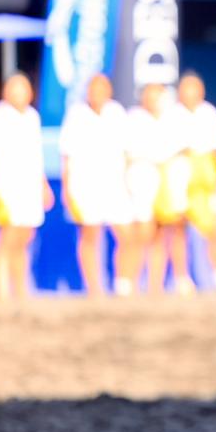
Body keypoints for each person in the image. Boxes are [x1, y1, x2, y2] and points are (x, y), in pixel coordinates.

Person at [0, 72, 53, 299]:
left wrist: (43, 186)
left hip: (29, 186)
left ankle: (21, 291)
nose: (18, 93)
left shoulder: (32, 116)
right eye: (14, 88)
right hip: (6, 186)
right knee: (8, 239)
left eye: (23, 88)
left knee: (24, 237)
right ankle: (2, 293)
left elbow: (36, 156)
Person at [59, 74, 133, 296]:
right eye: (93, 89)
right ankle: (94, 288)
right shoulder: (76, 115)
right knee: (90, 235)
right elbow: (66, 155)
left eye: (102, 88)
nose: (97, 93)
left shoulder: (117, 112)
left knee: (127, 234)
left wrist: (128, 181)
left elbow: (127, 151)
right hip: (85, 185)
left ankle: (124, 283)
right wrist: (67, 187)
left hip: (115, 183)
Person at [167, 72, 216, 294]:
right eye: (186, 89)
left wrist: (200, 153)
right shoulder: (173, 115)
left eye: (194, 88)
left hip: (207, 177)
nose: (190, 93)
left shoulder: (209, 113)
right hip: (179, 175)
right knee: (178, 227)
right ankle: (181, 278)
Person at [122, 83, 170, 293]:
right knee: (141, 232)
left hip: (164, 180)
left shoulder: (169, 119)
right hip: (140, 178)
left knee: (160, 233)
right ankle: (128, 280)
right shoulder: (134, 118)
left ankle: (155, 284)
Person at [148, 84, 194, 296]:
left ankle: (181, 277)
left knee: (177, 229)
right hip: (149, 183)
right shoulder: (140, 120)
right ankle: (154, 283)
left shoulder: (177, 119)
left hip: (174, 180)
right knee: (154, 233)